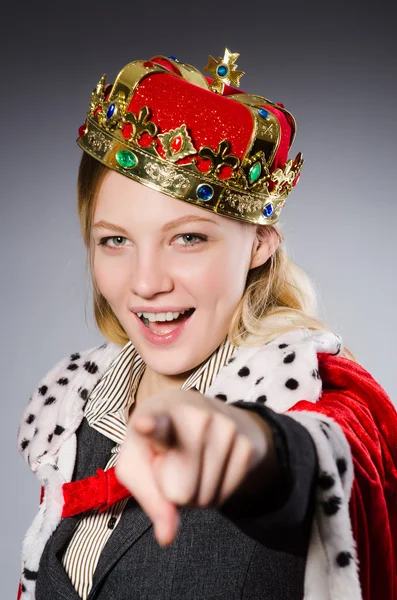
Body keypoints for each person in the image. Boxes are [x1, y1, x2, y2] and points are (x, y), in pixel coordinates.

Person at [16, 49, 397, 600]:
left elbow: (317, 457)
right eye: (115, 240)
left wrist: (243, 440)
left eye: (187, 237)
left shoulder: (316, 400)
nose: (146, 282)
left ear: (260, 243)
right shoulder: (74, 413)